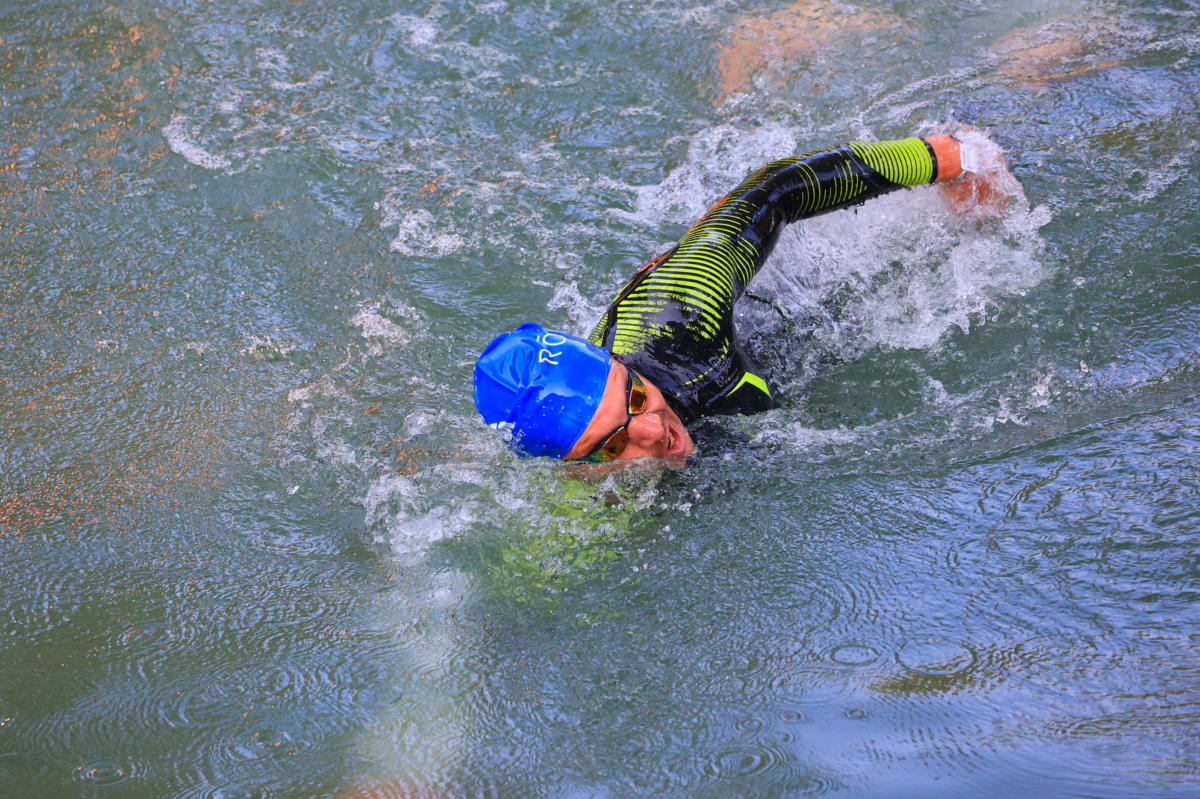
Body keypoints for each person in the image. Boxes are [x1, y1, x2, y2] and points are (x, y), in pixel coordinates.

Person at [473, 133, 1001, 463]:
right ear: (573, 468)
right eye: (612, 445)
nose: (654, 431)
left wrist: (950, 158)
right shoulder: (582, 500)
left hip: (799, 296)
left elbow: (775, 190)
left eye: (634, 398)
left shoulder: (678, 313)